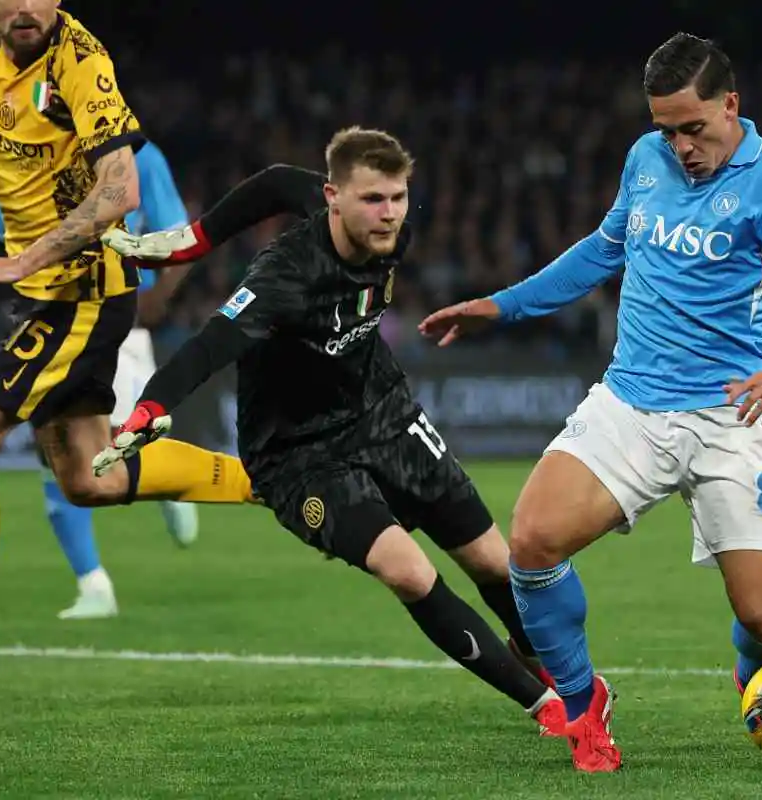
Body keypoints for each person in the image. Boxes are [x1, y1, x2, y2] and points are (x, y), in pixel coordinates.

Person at [418, 32, 762, 772]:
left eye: (692, 128)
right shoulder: (646, 160)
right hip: (632, 405)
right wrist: (504, 305)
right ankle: (584, 706)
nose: (680, 147)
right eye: (666, 130)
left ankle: (759, 671)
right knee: (531, 543)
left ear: (730, 105)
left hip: (730, 416)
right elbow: (603, 250)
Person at [98, 128, 567, 736]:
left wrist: (195, 242)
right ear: (333, 198)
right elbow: (211, 344)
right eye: (373, 199)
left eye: (398, 197)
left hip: (381, 410)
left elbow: (274, 182)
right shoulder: (284, 276)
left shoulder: (390, 231)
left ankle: (561, 679)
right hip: (298, 453)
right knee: (407, 570)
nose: (389, 213)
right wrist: (151, 404)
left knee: (496, 565)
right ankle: (548, 709)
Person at [0, 1, 255, 695]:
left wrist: (18, 262)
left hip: (85, 293)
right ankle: (272, 479)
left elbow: (120, 190)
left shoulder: (80, 61)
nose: (26, 7)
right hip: (43, 295)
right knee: (87, 477)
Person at [0, 142, 200, 621]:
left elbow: (178, 236)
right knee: (57, 448)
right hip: (49, 316)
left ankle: (165, 480)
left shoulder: (138, 156)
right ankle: (93, 582)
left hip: (114, 314)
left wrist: (157, 297)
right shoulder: (20, 148)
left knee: (112, 448)